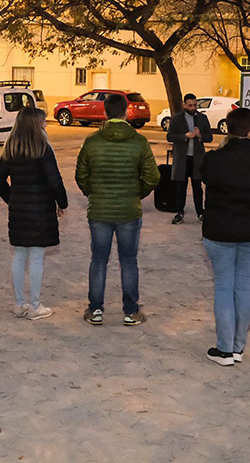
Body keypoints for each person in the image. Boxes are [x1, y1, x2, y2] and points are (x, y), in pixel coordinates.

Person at [76, 93, 160, 326]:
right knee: (129, 261)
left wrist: (93, 193)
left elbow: (80, 175)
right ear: (127, 112)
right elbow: (153, 177)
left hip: (99, 211)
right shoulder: (139, 142)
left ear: (105, 112)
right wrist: (137, 193)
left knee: (98, 260)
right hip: (128, 211)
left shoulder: (92, 141)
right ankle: (131, 312)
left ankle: (95, 310)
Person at [200, 107, 250, 366]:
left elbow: (205, 180)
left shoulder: (213, 159)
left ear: (228, 130)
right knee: (244, 288)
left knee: (223, 286)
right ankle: (237, 347)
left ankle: (224, 349)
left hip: (219, 231)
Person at [0, 107, 68, 321]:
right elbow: (54, 179)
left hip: (19, 209)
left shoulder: (11, 147)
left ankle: (18, 304)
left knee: (19, 255)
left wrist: (12, 199)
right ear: (36, 124)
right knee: (36, 257)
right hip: (40, 208)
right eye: (43, 122)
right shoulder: (43, 147)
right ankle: (34, 306)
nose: (45, 125)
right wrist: (62, 202)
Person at [166, 93, 213, 224]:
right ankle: (179, 212)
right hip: (182, 158)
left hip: (197, 158)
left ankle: (200, 212)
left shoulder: (202, 118)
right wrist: (184, 136)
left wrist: (200, 135)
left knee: (197, 186)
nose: (193, 108)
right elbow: (170, 137)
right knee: (181, 186)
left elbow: (210, 137)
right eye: (190, 105)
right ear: (184, 105)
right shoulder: (176, 119)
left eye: (195, 105)